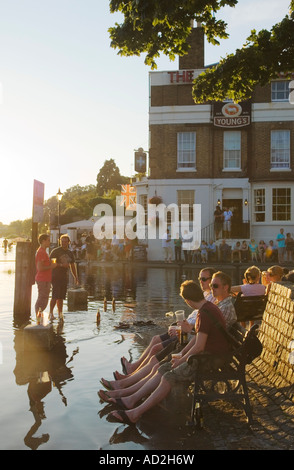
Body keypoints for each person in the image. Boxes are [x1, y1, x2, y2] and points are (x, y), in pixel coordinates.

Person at [104, 281, 231, 425]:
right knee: (163, 368)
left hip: (210, 359)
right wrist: (181, 354)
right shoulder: (208, 308)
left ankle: (135, 413)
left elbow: (199, 347)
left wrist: (181, 360)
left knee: (169, 376)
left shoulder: (204, 314)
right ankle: (129, 398)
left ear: (187, 300)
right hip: (210, 355)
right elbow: (196, 339)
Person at [118, 267, 217, 378]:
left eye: (204, 279)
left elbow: (201, 328)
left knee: (156, 350)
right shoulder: (204, 295)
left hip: (187, 334)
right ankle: (133, 369)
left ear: (212, 280)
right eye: (199, 278)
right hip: (186, 329)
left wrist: (184, 331)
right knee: (155, 339)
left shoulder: (210, 300)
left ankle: (132, 376)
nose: (201, 282)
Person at [49, 234, 79, 319]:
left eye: (65, 242)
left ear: (68, 242)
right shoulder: (55, 251)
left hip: (64, 276)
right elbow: (51, 264)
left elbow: (73, 266)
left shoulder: (70, 253)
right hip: (55, 276)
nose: (64, 243)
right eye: (62, 241)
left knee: (61, 296)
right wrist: (61, 265)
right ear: (60, 242)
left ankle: (60, 313)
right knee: (55, 295)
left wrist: (75, 277)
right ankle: (51, 313)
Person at [34, 233, 57, 316]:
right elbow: (40, 268)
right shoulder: (41, 252)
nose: (49, 242)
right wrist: (52, 266)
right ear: (43, 241)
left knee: (45, 299)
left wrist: (50, 264)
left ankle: (40, 316)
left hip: (46, 279)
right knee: (42, 299)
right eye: (48, 240)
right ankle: (38, 317)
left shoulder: (44, 251)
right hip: (42, 279)